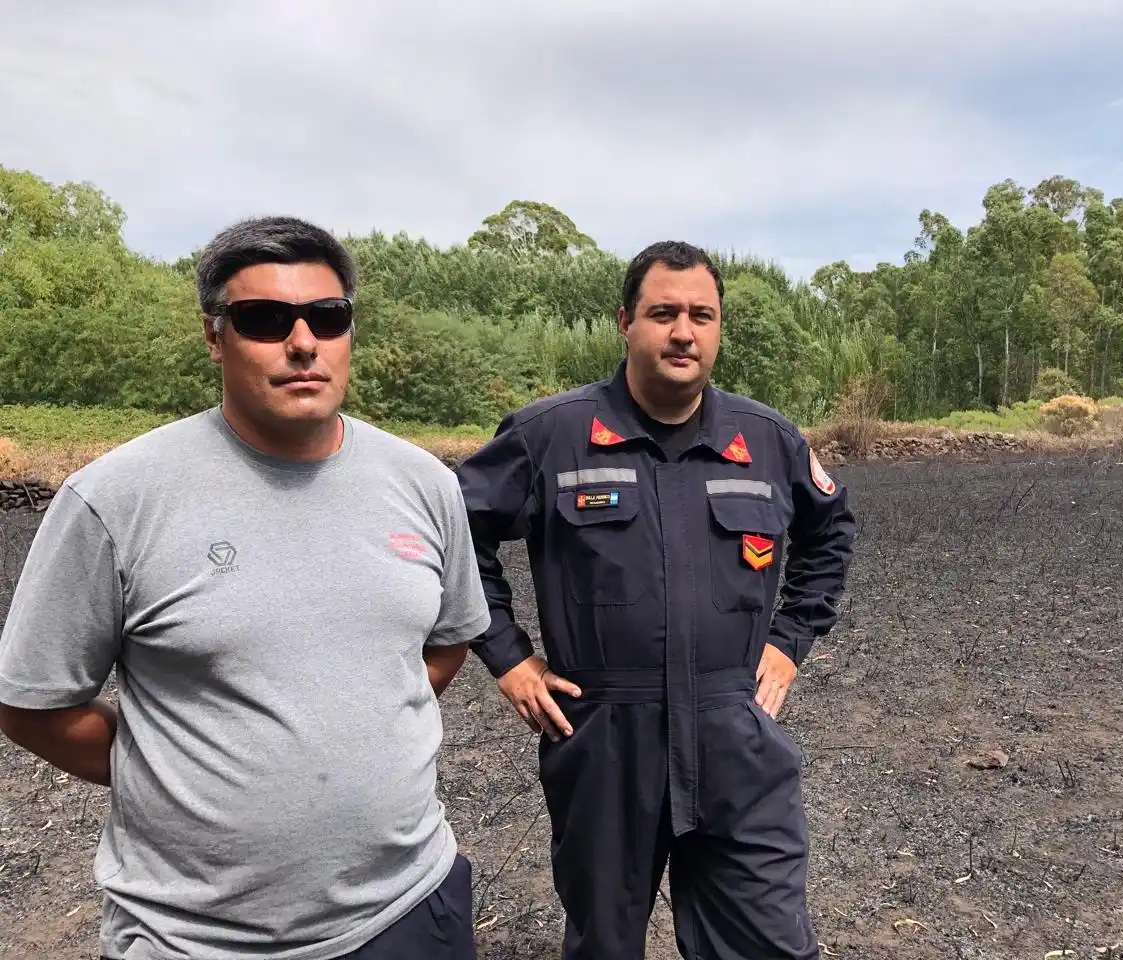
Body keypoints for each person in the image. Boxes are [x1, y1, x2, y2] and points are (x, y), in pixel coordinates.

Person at [0, 216, 489, 960]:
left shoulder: (423, 483)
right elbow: (31, 703)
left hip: (409, 912)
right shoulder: (116, 499)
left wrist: (361, 712)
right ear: (213, 335)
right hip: (195, 940)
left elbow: (448, 638)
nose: (303, 342)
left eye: (328, 317)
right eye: (265, 319)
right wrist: (166, 769)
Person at [455, 240, 857, 960]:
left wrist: (789, 642)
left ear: (719, 328)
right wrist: (507, 657)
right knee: (606, 944)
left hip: (734, 732)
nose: (683, 331)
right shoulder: (553, 435)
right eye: (663, 312)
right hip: (606, 737)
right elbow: (453, 532)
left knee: (766, 940)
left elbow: (831, 530)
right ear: (625, 322)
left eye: (702, 315)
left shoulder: (766, 440)